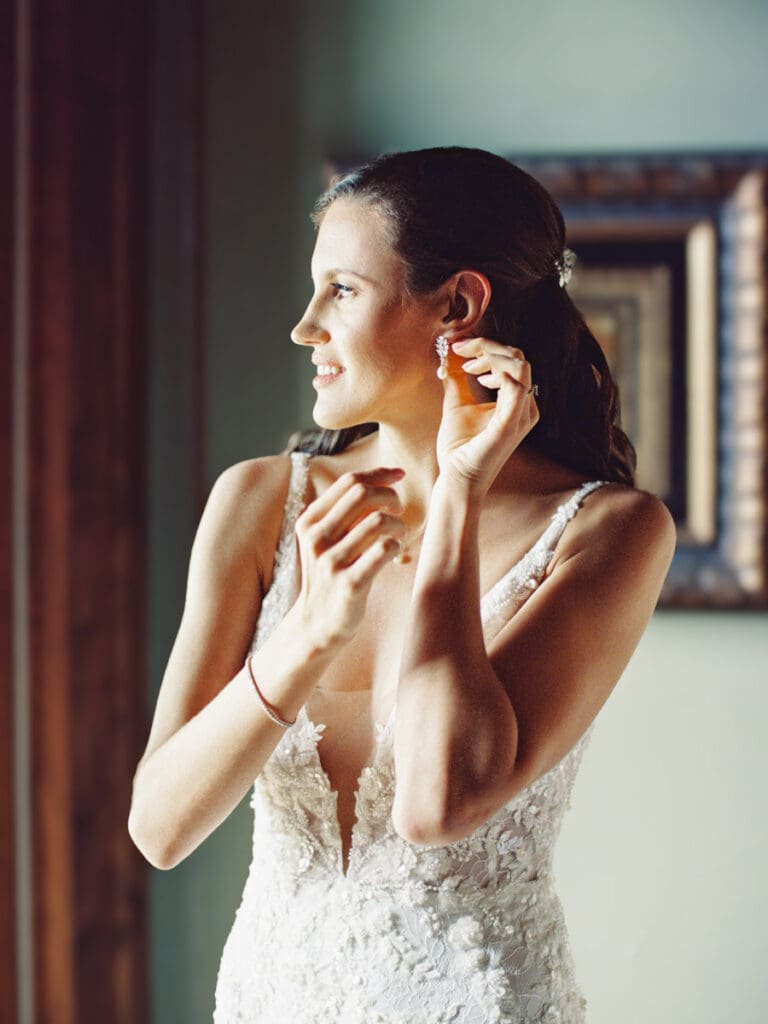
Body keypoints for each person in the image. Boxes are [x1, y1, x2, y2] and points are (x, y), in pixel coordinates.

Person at [128, 146, 676, 1023]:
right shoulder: (258, 501)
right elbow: (158, 829)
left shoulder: (611, 531)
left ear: (456, 305)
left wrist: (456, 497)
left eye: (341, 291)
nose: (307, 326)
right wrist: (308, 629)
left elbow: (436, 802)